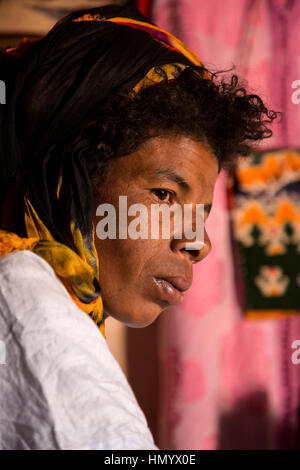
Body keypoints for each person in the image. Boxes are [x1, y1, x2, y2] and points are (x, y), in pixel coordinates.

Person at [0, 3, 277, 450]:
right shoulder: (27, 305)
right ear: (71, 177)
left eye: (202, 212)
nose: (199, 243)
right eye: (166, 195)